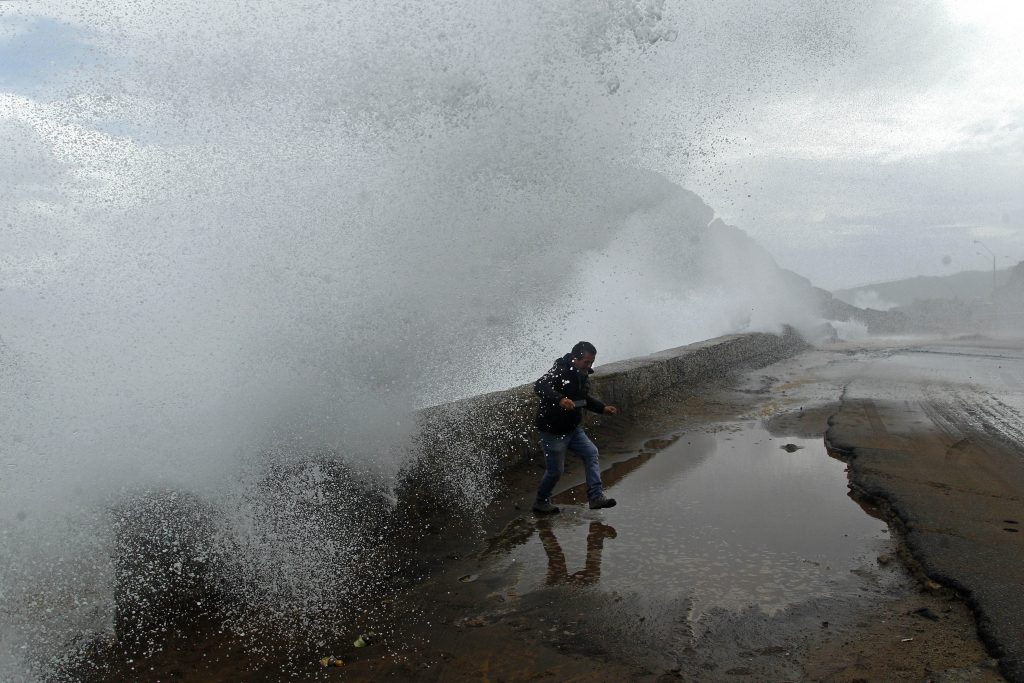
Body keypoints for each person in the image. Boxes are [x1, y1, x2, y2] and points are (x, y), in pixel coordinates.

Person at [532, 341, 619, 514]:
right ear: (574, 359)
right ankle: (540, 502)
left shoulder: (582, 374)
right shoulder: (560, 371)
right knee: (556, 472)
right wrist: (560, 399)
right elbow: (540, 385)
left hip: (573, 429)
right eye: (586, 362)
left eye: (591, 362)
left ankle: (595, 497)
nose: (589, 366)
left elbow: (582, 399)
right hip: (552, 430)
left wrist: (602, 408)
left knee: (591, 453)